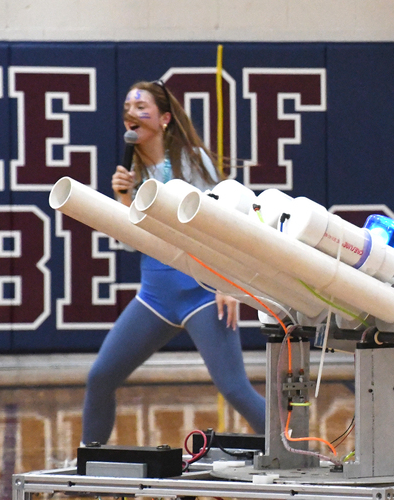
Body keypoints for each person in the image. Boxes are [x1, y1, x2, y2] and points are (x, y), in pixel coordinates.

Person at [81, 80, 266, 444]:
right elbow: (130, 244)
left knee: (234, 388)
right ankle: (90, 464)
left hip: (202, 291)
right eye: (127, 108)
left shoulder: (192, 159)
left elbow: (226, 222)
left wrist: (229, 284)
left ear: (164, 118)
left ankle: (292, 454)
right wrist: (121, 198)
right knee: (100, 377)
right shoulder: (130, 173)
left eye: (140, 106)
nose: (131, 113)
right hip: (156, 296)